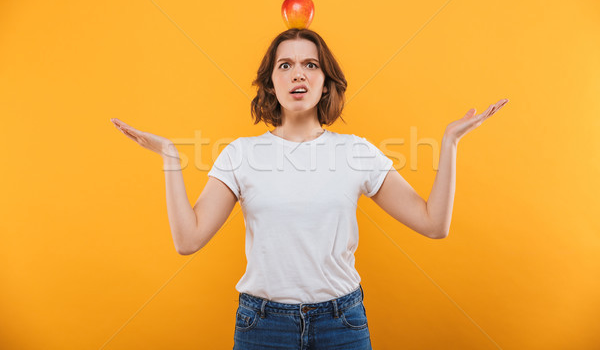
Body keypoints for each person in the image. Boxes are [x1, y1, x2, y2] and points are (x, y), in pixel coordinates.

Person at [110, 28, 508, 349]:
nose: (297, 73)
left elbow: (433, 223)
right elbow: (188, 239)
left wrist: (450, 143)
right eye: (285, 65)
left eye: (309, 65)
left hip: (342, 325)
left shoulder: (356, 152)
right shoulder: (240, 154)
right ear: (271, 83)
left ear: (324, 81)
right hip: (262, 327)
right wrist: (170, 157)